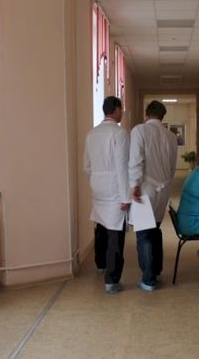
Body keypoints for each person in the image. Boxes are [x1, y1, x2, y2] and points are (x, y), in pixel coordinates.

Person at [83, 96, 131, 294]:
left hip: (97, 186)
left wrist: (99, 176)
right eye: (122, 109)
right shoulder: (120, 133)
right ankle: (112, 280)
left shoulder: (92, 133)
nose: (122, 113)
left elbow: (86, 166)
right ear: (116, 109)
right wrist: (126, 197)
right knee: (115, 233)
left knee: (101, 226)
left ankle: (101, 264)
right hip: (114, 189)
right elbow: (122, 166)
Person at [129, 100, 177, 292]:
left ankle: (148, 279)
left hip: (145, 189)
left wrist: (134, 184)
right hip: (162, 190)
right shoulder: (171, 136)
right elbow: (172, 166)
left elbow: (136, 160)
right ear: (162, 116)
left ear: (146, 114)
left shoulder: (139, 131)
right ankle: (156, 271)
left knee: (144, 234)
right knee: (155, 230)